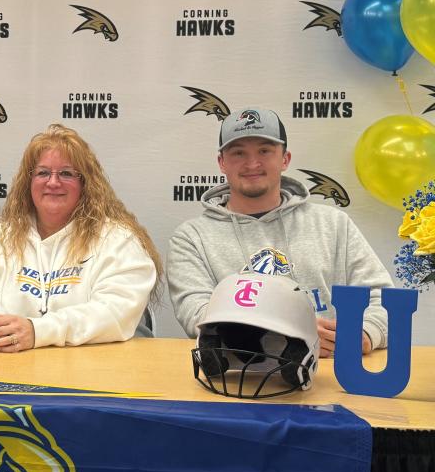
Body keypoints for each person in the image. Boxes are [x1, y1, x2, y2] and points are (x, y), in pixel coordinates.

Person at [168, 106, 393, 357]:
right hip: (239, 374)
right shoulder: (191, 237)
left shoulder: (334, 224)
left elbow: (382, 299)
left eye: (264, 151)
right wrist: (289, 335)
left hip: (329, 372)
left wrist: (366, 334)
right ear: (222, 162)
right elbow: (197, 315)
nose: (252, 163)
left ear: (285, 158)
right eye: (238, 153)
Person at [0, 123, 161, 351]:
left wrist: (38, 331)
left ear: (86, 184)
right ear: (28, 182)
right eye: (43, 173)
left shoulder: (117, 240)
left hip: (93, 372)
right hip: (10, 365)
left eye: (66, 173)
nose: (53, 182)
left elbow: (115, 311)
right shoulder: (3, 236)